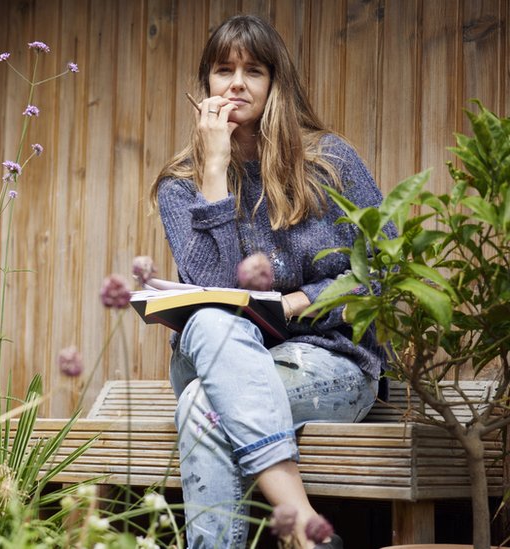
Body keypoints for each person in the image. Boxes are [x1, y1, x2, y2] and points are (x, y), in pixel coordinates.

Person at [150, 14, 393, 549]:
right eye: (222, 70)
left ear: (275, 83)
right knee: (212, 319)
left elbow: (384, 268)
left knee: (198, 407)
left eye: (253, 70)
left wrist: (303, 301)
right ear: (206, 85)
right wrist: (214, 172)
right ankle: (303, 522)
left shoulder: (328, 163)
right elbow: (212, 290)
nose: (236, 82)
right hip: (219, 356)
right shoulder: (180, 185)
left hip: (329, 361)